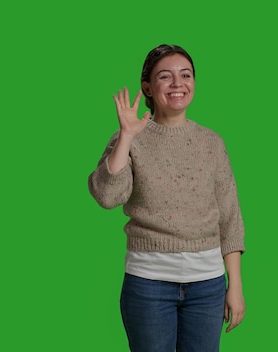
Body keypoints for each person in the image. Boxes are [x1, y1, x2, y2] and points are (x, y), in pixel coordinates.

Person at [87, 44, 245, 351]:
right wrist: (127, 137)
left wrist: (234, 285)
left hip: (208, 286)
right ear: (147, 86)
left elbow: (230, 217)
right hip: (148, 284)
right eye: (165, 76)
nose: (177, 84)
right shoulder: (129, 138)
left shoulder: (212, 142)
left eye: (185, 75)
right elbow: (107, 196)